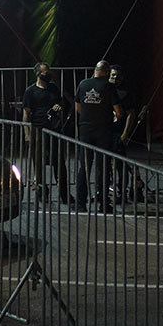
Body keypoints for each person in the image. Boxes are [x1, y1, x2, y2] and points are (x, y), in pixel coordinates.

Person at [74, 60, 121, 212]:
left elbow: (78, 107)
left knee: (84, 167)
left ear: (95, 70)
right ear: (107, 72)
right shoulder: (108, 86)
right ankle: (103, 203)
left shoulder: (83, 84)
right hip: (103, 130)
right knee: (103, 167)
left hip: (85, 129)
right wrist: (113, 117)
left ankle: (80, 202)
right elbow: (118, 111)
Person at [21, 62, 70, 203]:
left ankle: (64, 194)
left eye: (48, 71)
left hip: (54, 129)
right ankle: (42, 192)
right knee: (39, 163)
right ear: (38, 74)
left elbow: (62, 105)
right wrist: (27, 134)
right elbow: (26, 114)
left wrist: (58, 107)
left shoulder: (53, 88)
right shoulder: (30, 91)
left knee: (59, 162)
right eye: (45, 72)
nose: (48, 74)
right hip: (38, 129)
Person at [108, 64, 146, 203]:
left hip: (118, 132)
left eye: (118, 76)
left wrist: (125, 134)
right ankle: (105, 192)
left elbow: (131, 113)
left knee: (120, 165)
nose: (115, 78)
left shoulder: (125, 93)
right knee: (104, 165)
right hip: (104, 132)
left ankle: (121, 193)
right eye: (113, 75)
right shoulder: (104, 89)